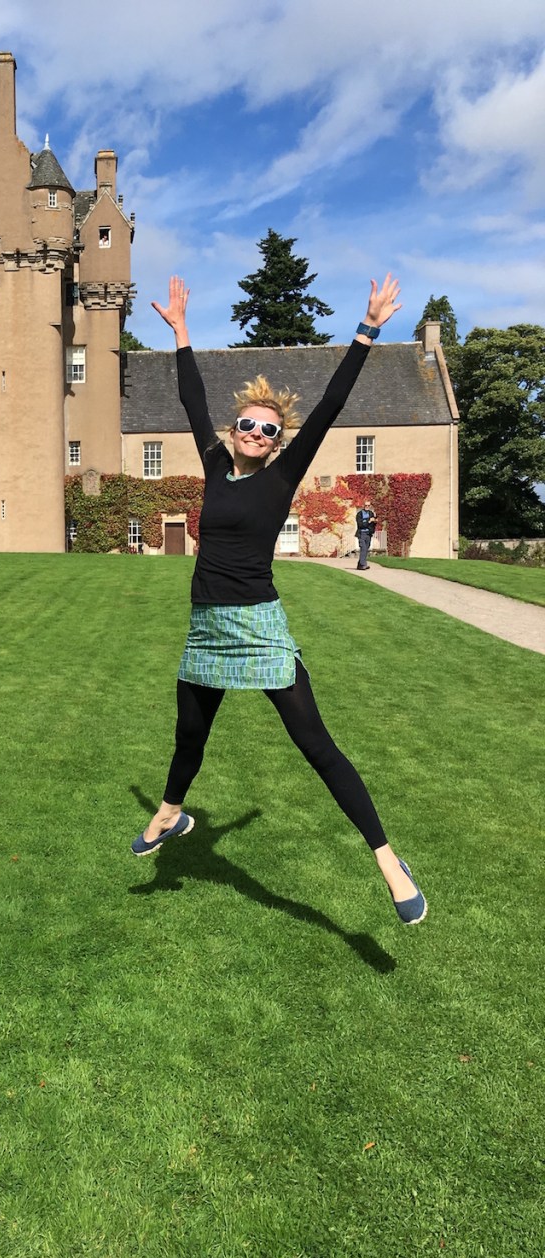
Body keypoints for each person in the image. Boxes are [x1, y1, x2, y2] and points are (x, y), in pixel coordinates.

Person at [132, 275, 427, 926]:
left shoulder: (284, 475)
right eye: (247, 425)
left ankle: (387, 859)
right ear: (234, 428)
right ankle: (171, 811)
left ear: (276, 440)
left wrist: (368, 326)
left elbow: (330, 404)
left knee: (316, 744)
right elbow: (190, 399)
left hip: (260, 627)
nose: (255, 434)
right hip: (206, 625)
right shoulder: (215, 466)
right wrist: (180, 332)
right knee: (189, 733)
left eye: (267, 430)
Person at [356, 503, 377, 569]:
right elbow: (360, 524)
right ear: (363, 505)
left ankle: (360, 564)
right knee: (363, 548)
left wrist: (374, 521)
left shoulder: (371, 513)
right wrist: (368, 521)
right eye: (366, 505)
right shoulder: (359, 514)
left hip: (368, 534)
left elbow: (372, 525)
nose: (367, 507)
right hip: (362, 533)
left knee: (366, 549)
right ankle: (363, 564)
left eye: (368, 505)